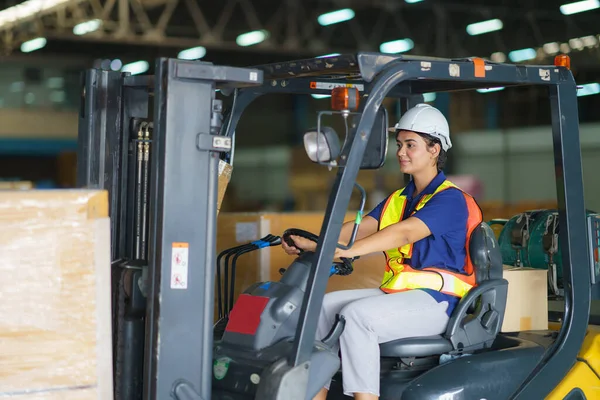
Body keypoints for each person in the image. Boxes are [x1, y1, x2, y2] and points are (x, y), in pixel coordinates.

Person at [282, 103, 482, 400]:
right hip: (402, 296)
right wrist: (314, 242)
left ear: (434, 149)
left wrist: (345, 253)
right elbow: (360, 228)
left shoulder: (451, 200)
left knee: (356, 316)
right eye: (400, 144)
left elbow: (403, 232)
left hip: (441, 304)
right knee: (323, 307)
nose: (401, 152)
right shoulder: (400, 198)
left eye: (410, 145)